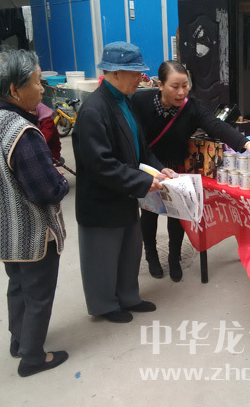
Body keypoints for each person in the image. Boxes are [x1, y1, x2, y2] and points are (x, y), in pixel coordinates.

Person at [132, 60, 250, 282]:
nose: (181, 92)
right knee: (149, 213)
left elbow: (217, 126)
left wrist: (247, 145)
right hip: (150, 166)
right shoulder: (140, 102)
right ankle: (151, 255)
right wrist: (152, 168)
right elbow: (135, 139)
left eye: (185, 85)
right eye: (174, 86)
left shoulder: (191, 107)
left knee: (177, 214)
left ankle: (174, 257)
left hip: (176, 169)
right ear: (160, 85)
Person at [0, 49, 69, 377]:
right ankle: (32, 357)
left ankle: (18, 340)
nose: (42, 88)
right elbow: (46, 191)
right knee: (38, 295)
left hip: (1, 227)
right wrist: (61, 181)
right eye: (37, 82)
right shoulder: (21, 132)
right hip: (31, 233)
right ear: (15, 89)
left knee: (17, 286)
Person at [72, 42, 175, 323]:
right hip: (102, 200)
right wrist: (142, 180)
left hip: (126, 192)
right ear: (115, 73)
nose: (140, 78)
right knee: (103, 256)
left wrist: (159, 169)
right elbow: (100, 164)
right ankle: (105, 305)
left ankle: (129, 296)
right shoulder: (94, 109)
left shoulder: (125, 101)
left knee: (130, 250)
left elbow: (142, 148)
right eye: (135, 73)